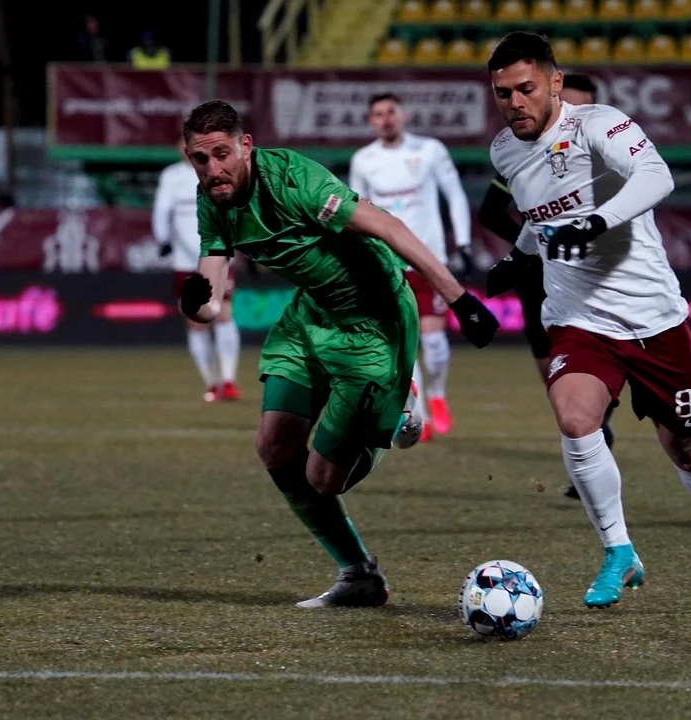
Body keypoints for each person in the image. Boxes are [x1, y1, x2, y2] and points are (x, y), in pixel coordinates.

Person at [176, 100, 499, 608]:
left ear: (245, 146)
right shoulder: (211, 199)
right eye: (200, 159)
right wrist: (200, 306)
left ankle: (393, 412)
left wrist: (459, 299)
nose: (213, 169)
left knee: (321, 479)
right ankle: (360, 576)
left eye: (221, 154)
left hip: (374, 322)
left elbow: (389, 229)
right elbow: (211, 287)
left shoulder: (296, 181)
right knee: (274, 447)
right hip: (311, 316)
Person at [483, 32, 691, 609]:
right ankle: (619, 551)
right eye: (503, 93)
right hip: (578, 319)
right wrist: (518, 256)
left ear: (556, 83)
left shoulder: (598, 125)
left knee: (688, 448)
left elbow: (657, 176)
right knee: (575, 417)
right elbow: (545, 213)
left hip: (652, 316)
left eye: (526, 89)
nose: (515, 103)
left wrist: (596, 223)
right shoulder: (504, 152)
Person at [478, 72, 614, 499]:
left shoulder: (605, 146)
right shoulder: (523, 152)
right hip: (541, 275)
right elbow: (491, 211)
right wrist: (532, 245)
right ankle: (594, 436)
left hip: (602, 274)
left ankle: (598, 425)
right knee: (555, 372)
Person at [348, 93, 474, 442]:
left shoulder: (431, 150)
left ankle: (438, 393)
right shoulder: (364, 160)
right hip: (387, 263)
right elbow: (357, 211)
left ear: (402, 115)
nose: (386, 119)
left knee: (433, 341)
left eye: (391, 112)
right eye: (378, 114)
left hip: (428, 259)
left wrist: (462, 243)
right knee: (402, 342)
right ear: (371, 121)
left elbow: (455, 193)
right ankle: (419, 417)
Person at [153, 139, 241, 402]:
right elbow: (161, 210)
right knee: (196, 321)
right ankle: (210, 382)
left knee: (223, 314)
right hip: (184, 261)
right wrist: (162, 240)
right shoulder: (171, 176)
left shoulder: (221, 171)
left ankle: (228, 380)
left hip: (217, 255)